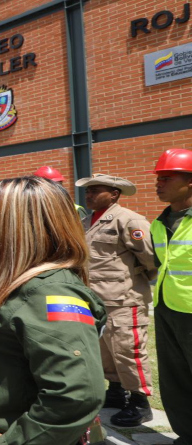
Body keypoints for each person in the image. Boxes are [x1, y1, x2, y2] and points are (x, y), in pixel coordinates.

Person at [0, 176, 106, 445]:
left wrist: (10, 442)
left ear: (11, 229)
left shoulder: (50, 292)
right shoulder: (8, 281)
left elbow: (77, 394)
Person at [75, 173, 157, 427]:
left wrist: (132, 281)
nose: (88, 195)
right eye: (87, 191)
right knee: (106, 350)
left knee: (128, 351)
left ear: (114, 194)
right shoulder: (88, 221)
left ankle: (140, 402)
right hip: (96, 299)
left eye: (94, 190)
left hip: (124, 298)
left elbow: (150, 258)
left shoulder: (129, 220)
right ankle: (116, 391)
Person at [150, 148, 192, 445]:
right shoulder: (158, 222)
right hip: (166, 309)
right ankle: (186, 435)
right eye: (158, 178)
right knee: (175, 379)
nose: (158, 183)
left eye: (166, 178)